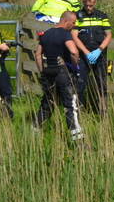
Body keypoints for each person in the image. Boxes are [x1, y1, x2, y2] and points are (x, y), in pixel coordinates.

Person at [33, 11, 84, 143]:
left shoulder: (46, 34)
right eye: (73, 23)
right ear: (66, 21)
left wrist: (42, 72)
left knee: (47, 103)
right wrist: (75, 67)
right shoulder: (65, 34)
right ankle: (78, 140)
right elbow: (74, 52)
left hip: (48, 73)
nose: (74, 25)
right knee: (70, 106)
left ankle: (34, 133)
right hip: (63, 73)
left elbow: (38, 55)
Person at [72, 0, 112, 116]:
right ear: (83, 3)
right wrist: (86, 52)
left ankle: (103, 112)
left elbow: (109, 35)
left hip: (99, 56)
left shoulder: (102, 16)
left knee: (102, 84)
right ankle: (79, 112)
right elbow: (74, 36)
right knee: (80, 83)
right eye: (86, 5)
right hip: (83, 57)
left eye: (91, 5)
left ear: (95, 3)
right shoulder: (77, 16)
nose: (89, 8)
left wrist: (99, 50)